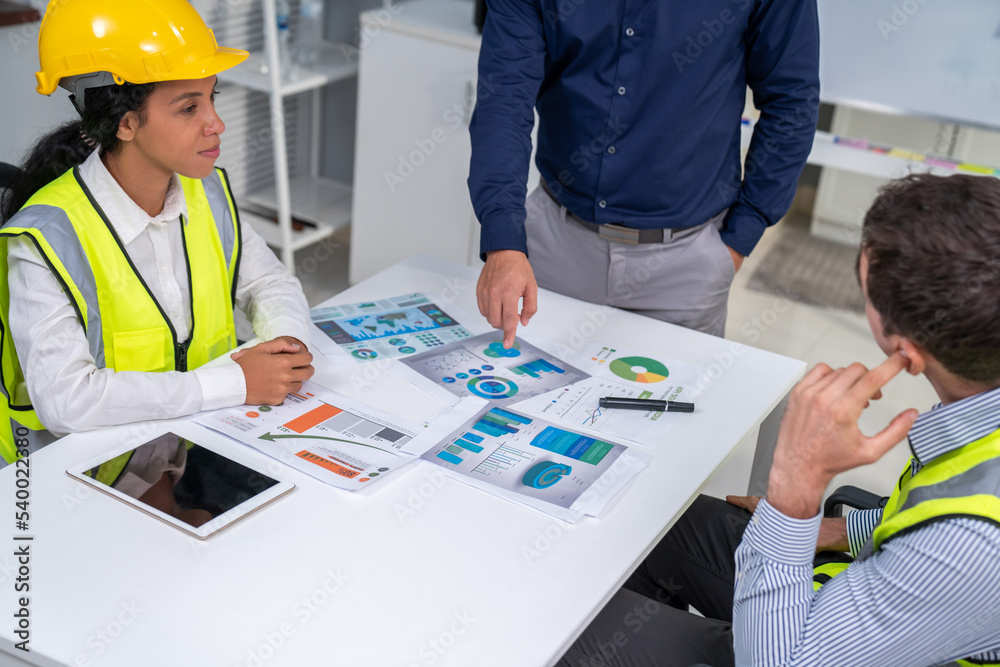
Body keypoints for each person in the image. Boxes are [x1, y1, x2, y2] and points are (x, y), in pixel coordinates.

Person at [558, 173, 1000, 666]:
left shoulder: (972, 544)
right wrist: (838, 530)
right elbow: (924, 516)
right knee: (653, 524)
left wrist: (796, 488)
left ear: (906, 351)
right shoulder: (978, 410)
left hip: (789, 653)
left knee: (571, 628)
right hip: (864, 590)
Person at [0, 0, 315, 465]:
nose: (216, 124)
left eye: (212, 97)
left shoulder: (206, 193)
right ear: (126, 123)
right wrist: (232, 383)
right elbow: (67, 400)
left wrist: (286, 347)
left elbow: (270, 283)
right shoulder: (44, 241)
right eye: (189, 108)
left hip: (184, 453)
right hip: (75, 481)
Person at [469, 0, 820, 347]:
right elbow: (503, 99)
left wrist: (741, 235)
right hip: (553, 248)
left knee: (675, 403)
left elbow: (792, 101)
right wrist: (504, 241)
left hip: (687, 264)